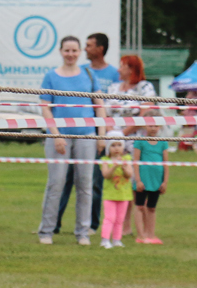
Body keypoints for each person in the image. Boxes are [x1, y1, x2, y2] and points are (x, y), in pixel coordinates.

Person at [38, 36, 104, 245]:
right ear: (60, 51)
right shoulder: (50, 76)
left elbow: (99, 105)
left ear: (79, 52)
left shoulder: (89, 75)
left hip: (86, 135)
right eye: (67, 50)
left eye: (74, 50)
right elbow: (45, 106)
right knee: (55, 184)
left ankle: (83, 232)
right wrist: (56, 134)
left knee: (85, 184)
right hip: (60, 137)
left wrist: (101, 134)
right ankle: (46, 231)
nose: (71, 54)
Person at [53, 31, 118, 231]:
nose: (85, 50)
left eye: (89, 46)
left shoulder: (112, 73)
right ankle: (54, 223)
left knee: (92, 182)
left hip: (96, 131)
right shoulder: (81, 71)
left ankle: (91, 224)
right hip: (73, 132)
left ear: (100, 49)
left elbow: (106, 104)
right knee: (63, 181)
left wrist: (102, 132)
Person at [131, 126, 171, 244]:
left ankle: (150, 234)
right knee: (139, 206)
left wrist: (165, 182)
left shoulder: (163, 143)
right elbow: (136, 162)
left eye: (156, 126)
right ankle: (140, 235)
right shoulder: (140, 142)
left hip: (156, 180)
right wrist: (138, 180)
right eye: (150, 125)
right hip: (143, 179)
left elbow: (166, 164)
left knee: (152, 208)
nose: (153, 128)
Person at [98, 131, 133, 249]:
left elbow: (129, 174)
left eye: (119, 145)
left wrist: (124, 167)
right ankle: (105, 239)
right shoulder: (105, 160)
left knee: (120, 219)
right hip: (110, 195)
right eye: (113, 145)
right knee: (110, 218)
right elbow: (106, 175)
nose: (116, 148)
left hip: (123, 195)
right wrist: (114, 166)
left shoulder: (127, 159)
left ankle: (117, 239)